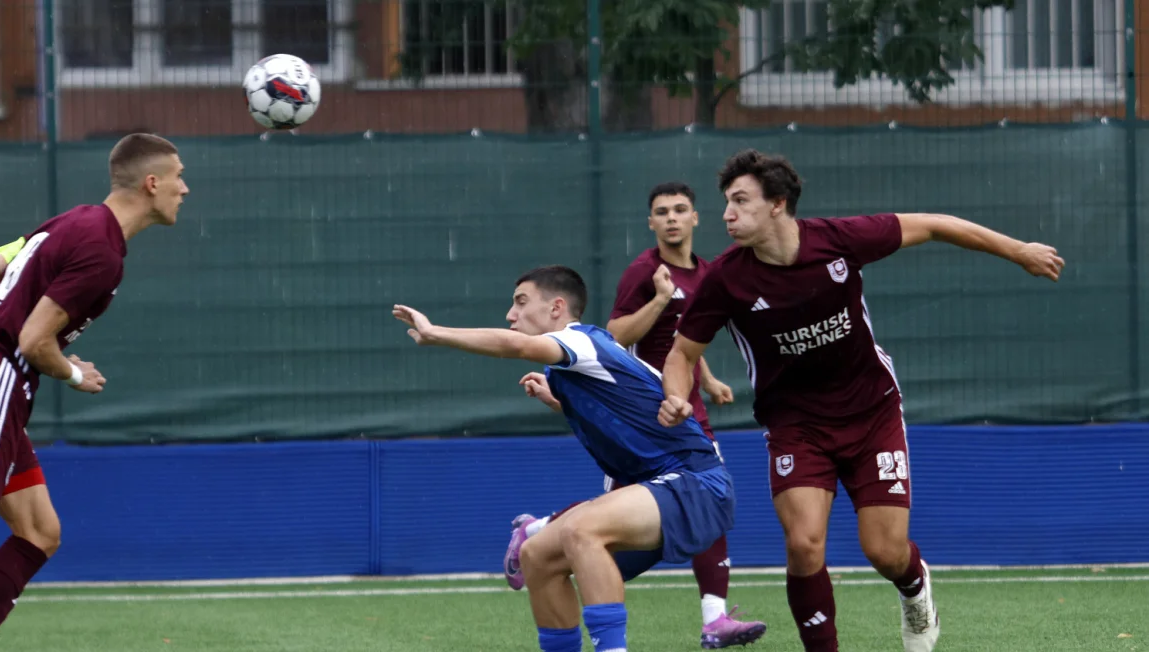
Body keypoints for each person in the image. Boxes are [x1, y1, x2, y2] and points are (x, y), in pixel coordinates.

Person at [658, 149, 1064, 652]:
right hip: (796, 425)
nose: (727, 214)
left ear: (778, 204)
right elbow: (681, 353)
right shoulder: (725, 279)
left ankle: (915, 590)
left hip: (872, 414)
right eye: (726, 202)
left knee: (884, 551)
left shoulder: (840, 240)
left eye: (740, 201)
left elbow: (936, 224)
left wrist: (1019, 249)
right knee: (804, 544)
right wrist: (676, 396)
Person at [0, 133, 189, 652]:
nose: (185, 188)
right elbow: (33, 340)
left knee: (40, 532)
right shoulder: (101, 252)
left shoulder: (65, 223)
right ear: (152, 184)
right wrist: (74, 374)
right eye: (178, 176)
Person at [393, 265, 736, 652]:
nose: (511, 315)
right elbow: (620, 412)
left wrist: (436, 333)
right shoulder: (573, 364)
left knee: (581, 529)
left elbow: (517, 346)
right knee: (536, 556)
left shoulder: (582, 341)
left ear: (557, 307)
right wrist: (558, 399)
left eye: (521, 302)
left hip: (695, 481)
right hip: (656, 487)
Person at [504, 182, 765, 649]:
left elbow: (689, 340)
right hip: (639, 411)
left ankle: (714, 617)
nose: (671, 219)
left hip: (679, 408)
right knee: (588, 536)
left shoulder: (705, 273)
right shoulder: (645, 271)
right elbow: (616, 334)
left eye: (680, 210)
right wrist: (660, 299)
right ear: (650, 222)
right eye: (662, 211)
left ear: (695, 218)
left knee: (698, 506)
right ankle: (541, 528)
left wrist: (704, 380)